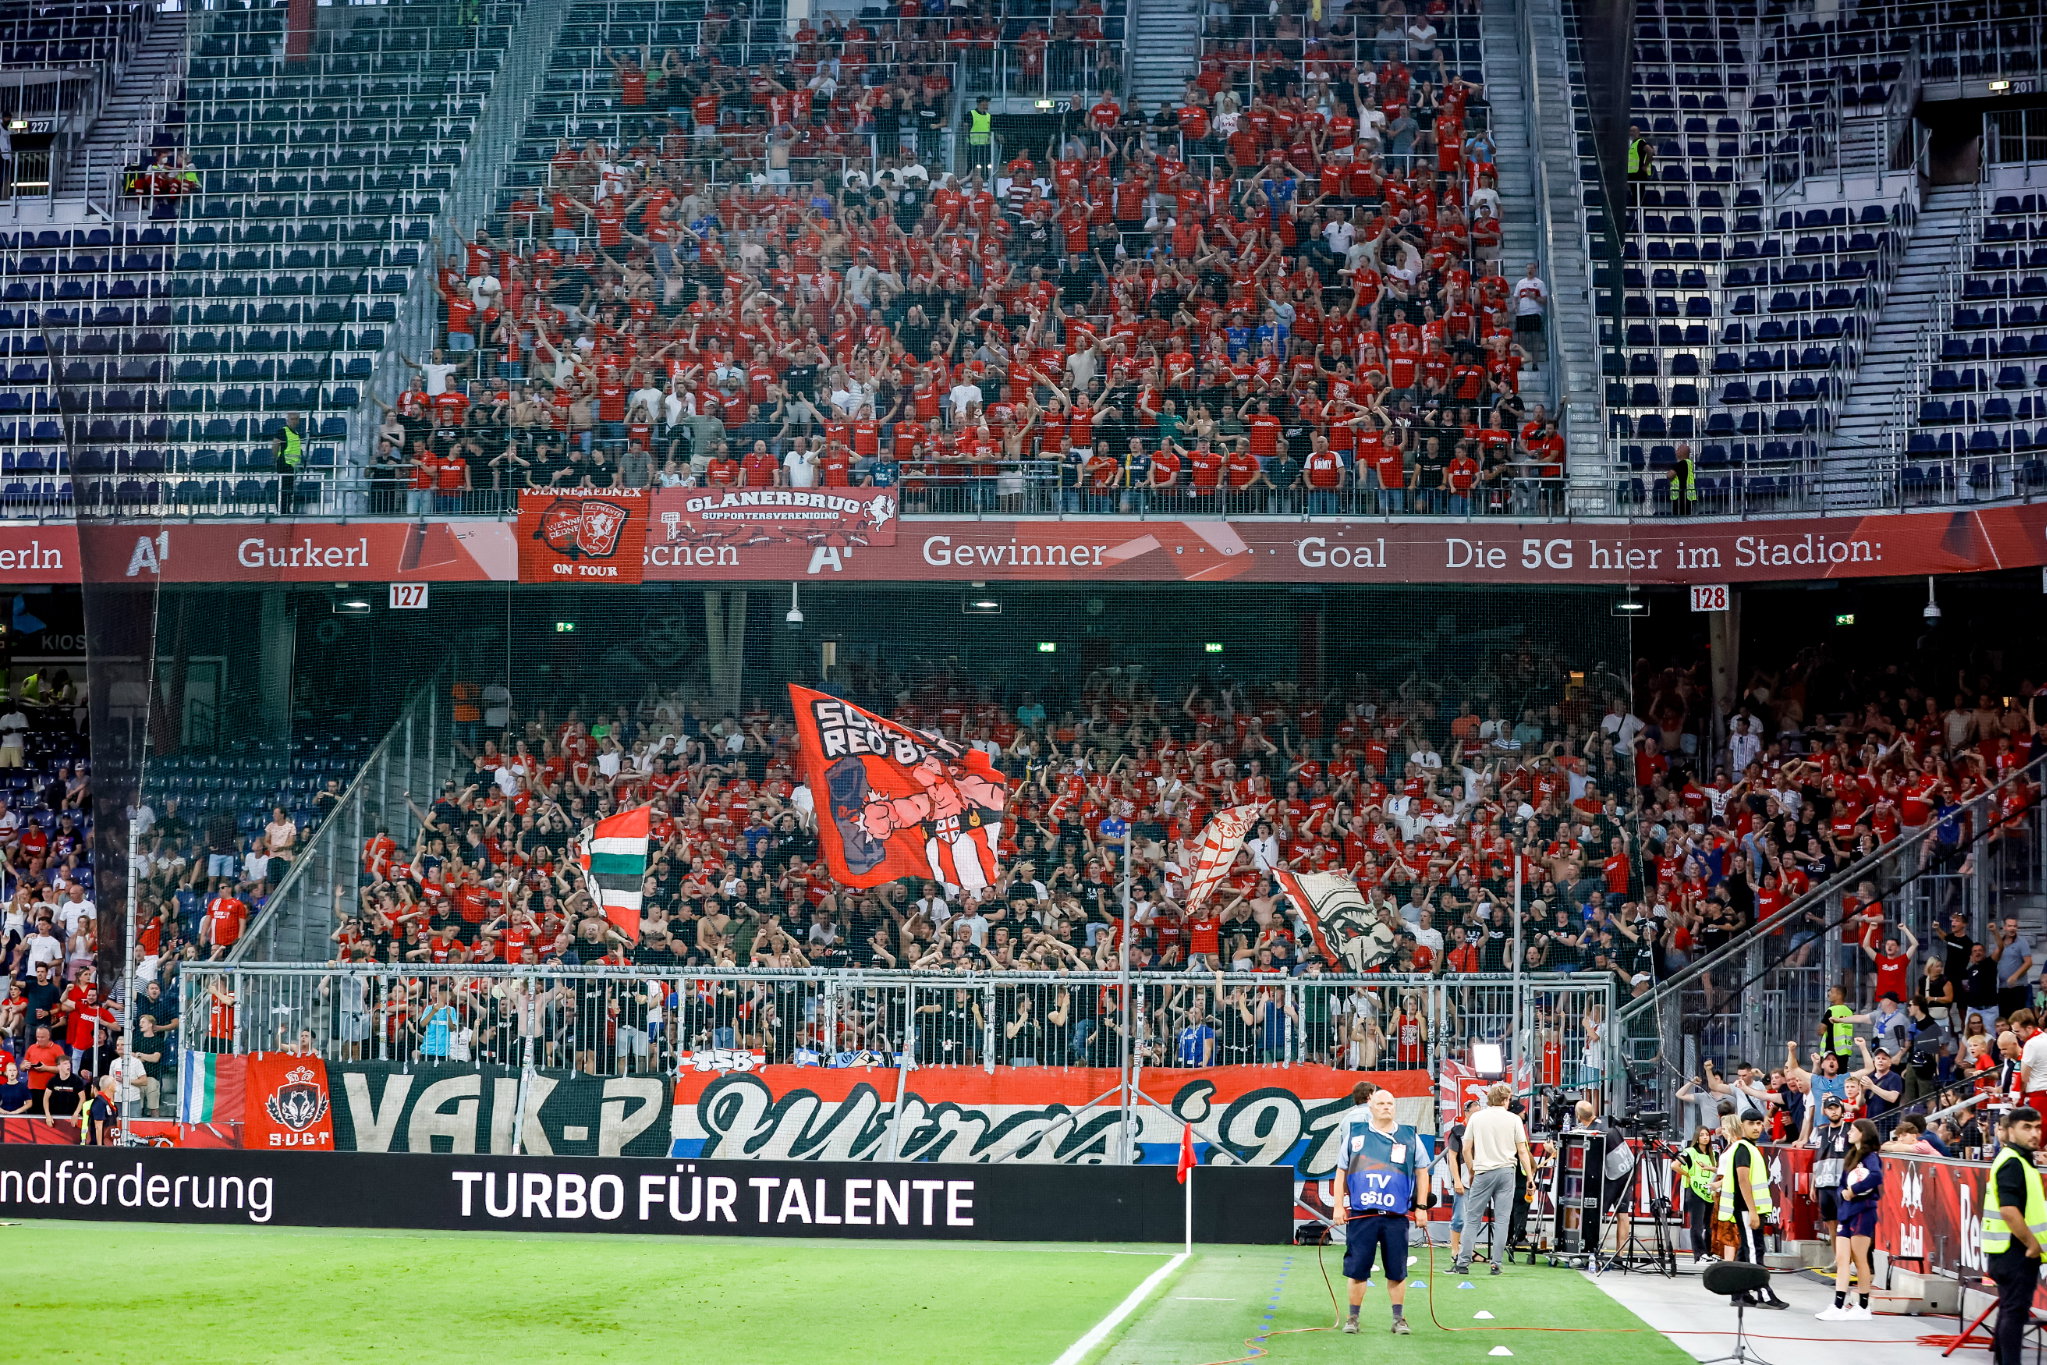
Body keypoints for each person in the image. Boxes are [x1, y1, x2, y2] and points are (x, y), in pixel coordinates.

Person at [1334, 1082, 1431, 1335]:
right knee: (1357, 1270)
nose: (1386, 1107)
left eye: (1390, 1104)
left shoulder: (1410, 1136)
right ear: (1370, 1105)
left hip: (1395, 1216)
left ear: (1395, 1107)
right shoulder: (1355, 1136)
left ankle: (1399, 1319)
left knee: (1397, 1271)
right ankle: (1352, 1318)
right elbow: (1341, 1171)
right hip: (1362, 1214)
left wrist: (1421, 1207)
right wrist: (1338, 1206)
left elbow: (1422, 1172)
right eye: (1381, 1103)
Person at [1982, 1107, 2046, 1365]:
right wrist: (2032, 1244)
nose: (2035, 1133)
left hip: (2007, 1251)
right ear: (2010, 1131)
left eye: (2038, 1127)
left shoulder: (2018, 1159)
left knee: (2009, 1311)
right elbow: (2009, 1210)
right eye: (2027, 1127)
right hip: (2015, 1251)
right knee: (2014, 1314)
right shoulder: (2013, 1162)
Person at [1454, 1082, 1532, 1276]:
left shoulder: (1477, 1118)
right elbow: (1522, 1150)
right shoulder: (1514, 1119)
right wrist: (1530, 1176)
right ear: (1506, 1099)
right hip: (1507, 1172)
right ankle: (1496, 1264)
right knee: (1502, 1221)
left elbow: (1465, 1149)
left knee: (1472, 1219)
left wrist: (1472, 1170)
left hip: (1483, 1171)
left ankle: (1463, 1263)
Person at [1717, 1108, 1791, 1308]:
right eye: (1752, 1123)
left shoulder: (1748, 1147)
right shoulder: (1743, 1148)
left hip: (1748, 1209)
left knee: (1745, 1251)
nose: (1757, 1127)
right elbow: (1743, 1180)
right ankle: (1763, 1294)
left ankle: (1739, 1293)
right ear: (1742, 1126)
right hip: (1746, 1209)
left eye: (1759, 1123)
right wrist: (1752, 1211)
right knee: (1753, 1252)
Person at [1819, 1118, 1883, 1320]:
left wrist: (1854, 1190)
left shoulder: (1871, 1156)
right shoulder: (1851, 1155)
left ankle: (1863, 1306)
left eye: (1853, 1130)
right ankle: (1838, 1305)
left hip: (1863, 1212)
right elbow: (1841, 1184)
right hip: (1846, 1212)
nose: (1848, 1133)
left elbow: (1875, 1177)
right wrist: (1843, 1194)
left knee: (1860, 1259)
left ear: (1863, 1133)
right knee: (1842, 1259)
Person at [1674, 1126, 1721, 1263]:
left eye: (1707, 1134)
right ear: (1697, 1137)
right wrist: (1688, 1174)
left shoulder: (1715, 1154)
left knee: (1709, 1225)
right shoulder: (1690, 1152)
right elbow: (1674, 1165)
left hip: (1710, 1192)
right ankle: (1699, 1254)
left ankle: (1709, 1252)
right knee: (1697, 1225)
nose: (1705, 1137)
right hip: (1695, 1191)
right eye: (1702, 1135)